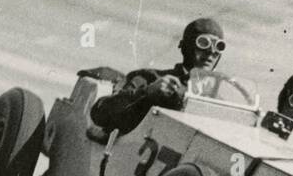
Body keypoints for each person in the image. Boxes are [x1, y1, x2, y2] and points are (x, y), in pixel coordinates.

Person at [89, 17, 225, 136]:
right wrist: (147, 93)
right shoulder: (149, 78)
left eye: (218, 46)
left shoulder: (217, 103)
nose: (211, 52)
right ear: (187, 47)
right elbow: (100, 114)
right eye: (203, 43)